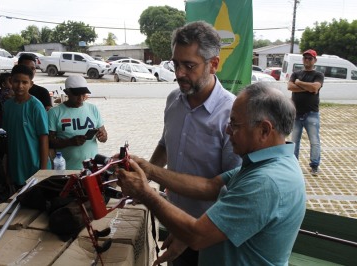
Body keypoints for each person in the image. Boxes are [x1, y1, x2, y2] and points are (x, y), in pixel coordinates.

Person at [117, 83, 306, 266]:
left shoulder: (266, 181)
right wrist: (149, 170)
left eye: (234, 124)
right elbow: (209, 186)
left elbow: (198, 236)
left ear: (264, 130)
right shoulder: (267, 163)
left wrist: (145, 192)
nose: (227, 130)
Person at [148, 21, 241, 265]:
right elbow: (166, 144)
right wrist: (143, 177)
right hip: (175, 223)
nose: (179, 73)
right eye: (176, 64)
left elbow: (232, 190)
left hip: (211, 237)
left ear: (214, 64)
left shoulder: (232, 114)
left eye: (189, 66)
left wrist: (191, 236)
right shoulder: (173, 99)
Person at [2, 64, 50, 189]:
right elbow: (8, 138)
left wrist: (43, 171)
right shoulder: (7, 106)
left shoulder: (36, 106)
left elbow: (44, 138)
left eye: (24, 82)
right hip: (16, 166)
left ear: (31, 84)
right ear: (11, 81)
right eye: (17, 81)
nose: (20, 86)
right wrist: (7, 170)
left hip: (35, 167)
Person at [48, 75, 107, 170]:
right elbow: (49, 142)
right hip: (67, 169)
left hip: (92, 168)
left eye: (83, 94)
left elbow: (104, 136)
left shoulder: (93, 109)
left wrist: (102, 136)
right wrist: (69, 142)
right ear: (67, 92)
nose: (80, 98)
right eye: (76, 94)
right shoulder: (54, 112)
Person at [288, 49, 324, 176]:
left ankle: (315, 165)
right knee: (294, 141)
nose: (307, 60)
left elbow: (315, 87)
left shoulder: (318, 75)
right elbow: (290, 87)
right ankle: (293, 165)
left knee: (314, 141)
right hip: (296, 113)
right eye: (305, 58)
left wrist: (299, 83)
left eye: (310, 58)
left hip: (311, 113)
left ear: (315, 60)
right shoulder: (296, 73)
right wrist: (307, 87)